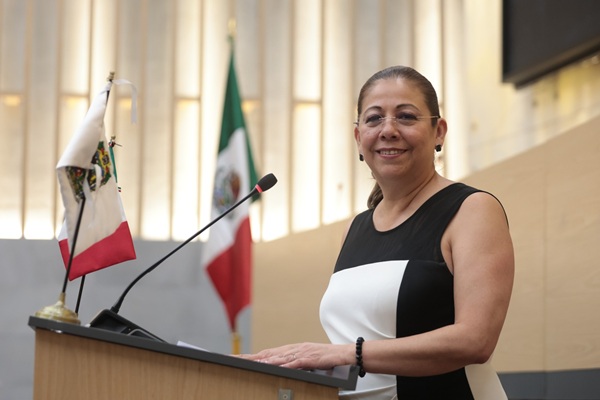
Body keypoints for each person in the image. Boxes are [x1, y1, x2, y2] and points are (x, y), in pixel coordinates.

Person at [242, 65, 515, 399]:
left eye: (406, 116)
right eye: (374, 119)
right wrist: (292, 361)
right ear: (359, 138)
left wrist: (348, 354)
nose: (388, 130)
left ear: (439, 132)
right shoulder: (354, 229)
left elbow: (475, 341)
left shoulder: (472, 210)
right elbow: (350, 352)